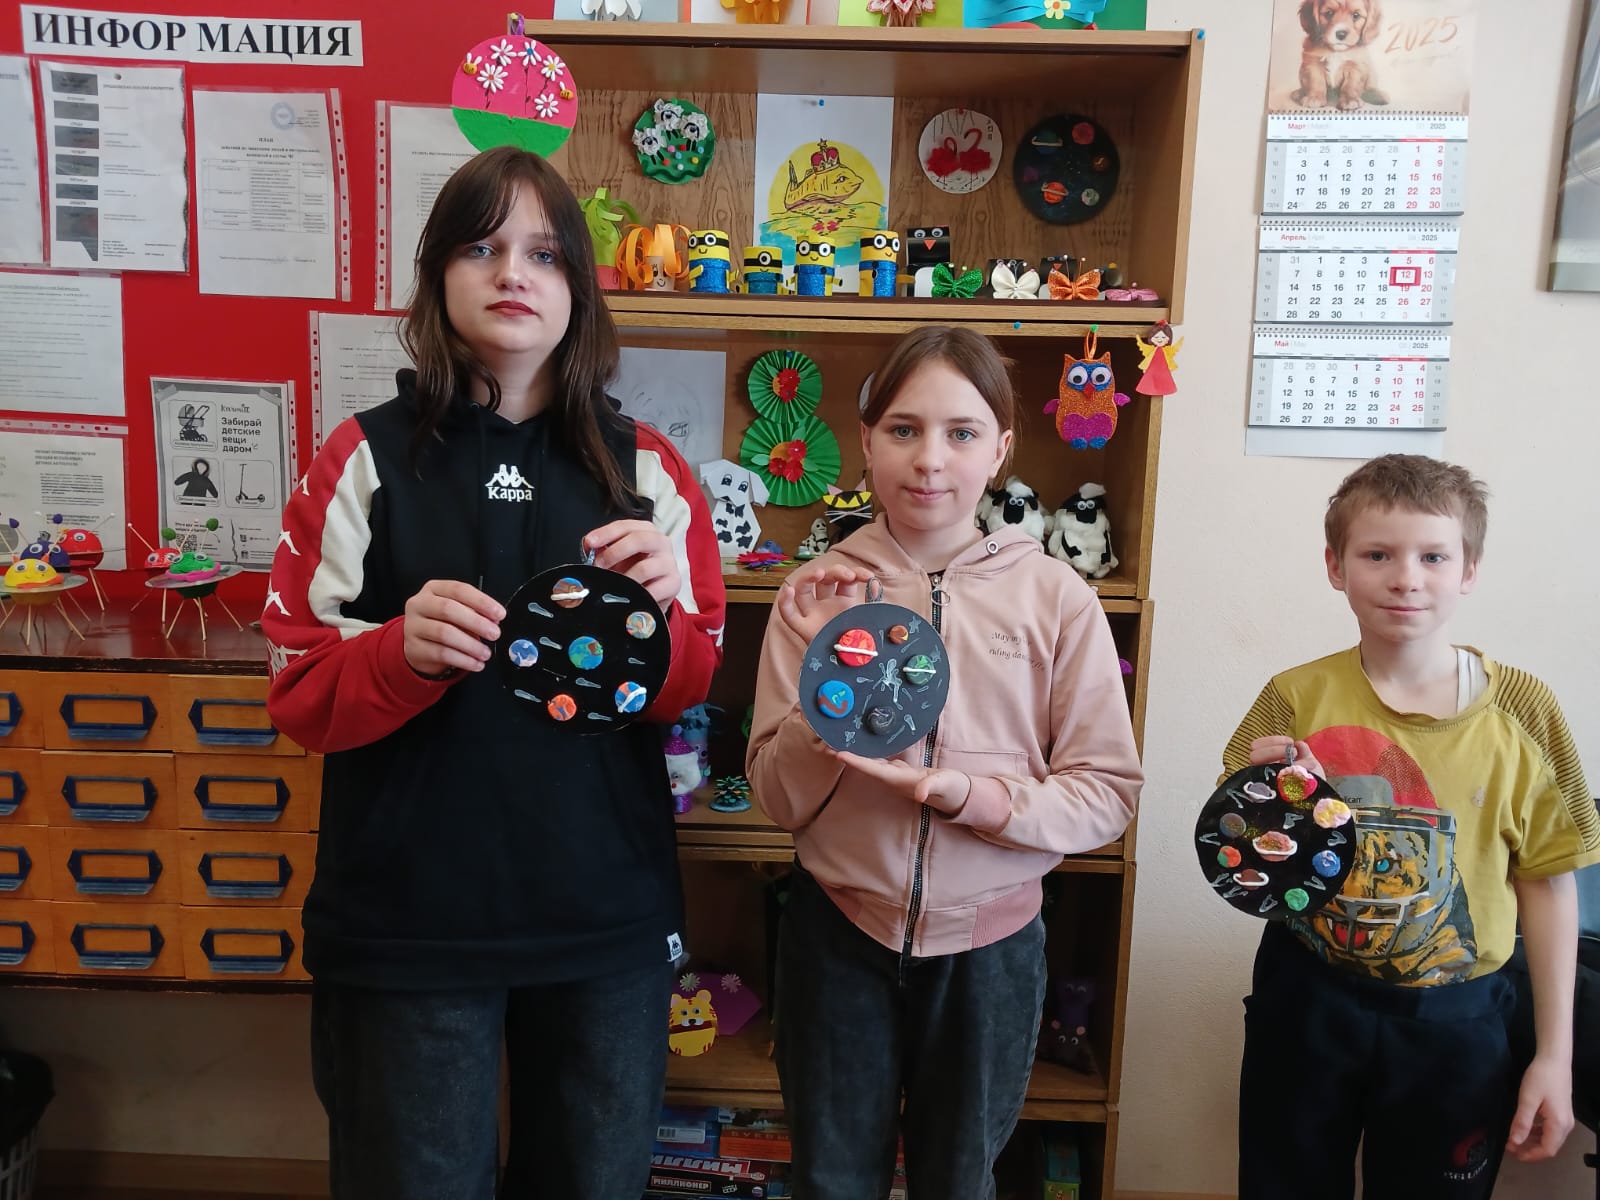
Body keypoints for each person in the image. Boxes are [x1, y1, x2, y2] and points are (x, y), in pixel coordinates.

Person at [262, 145, 726, 1200]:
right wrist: (396, 653)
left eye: (545, 254)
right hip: (409, 922)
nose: (514, 273)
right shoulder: (362, 459)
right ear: (437, 276)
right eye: (482, 248)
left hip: (604, 917)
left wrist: (660, 626)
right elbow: (298, 691)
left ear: (580, 289)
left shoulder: (650, 471)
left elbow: (690, 687)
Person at [745, 325, 1142, 1200]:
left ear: (1000, 450)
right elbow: (776, 795)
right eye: (903, 429)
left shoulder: (1057, 597)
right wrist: (831, 694)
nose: (930, 459)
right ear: (866, 443)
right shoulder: (817, 592)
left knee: (960, 1179)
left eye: (962, 433)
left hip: (990, 950)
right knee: (830, 1178)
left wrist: (971, 797)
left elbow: (1105, 793)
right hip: (838, 933)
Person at [1223, 454, 1600, 1200]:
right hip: (1307, 998)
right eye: (1377, 555)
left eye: (1433, 556)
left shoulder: (1526, 711)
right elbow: (1244, 860)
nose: (1406, 578)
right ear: (1335, 566)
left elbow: (1550, 884)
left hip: (1459, 1017)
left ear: (1469, 570)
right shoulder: (1293, 697)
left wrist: (1553, 1056)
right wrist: (1272, 802)